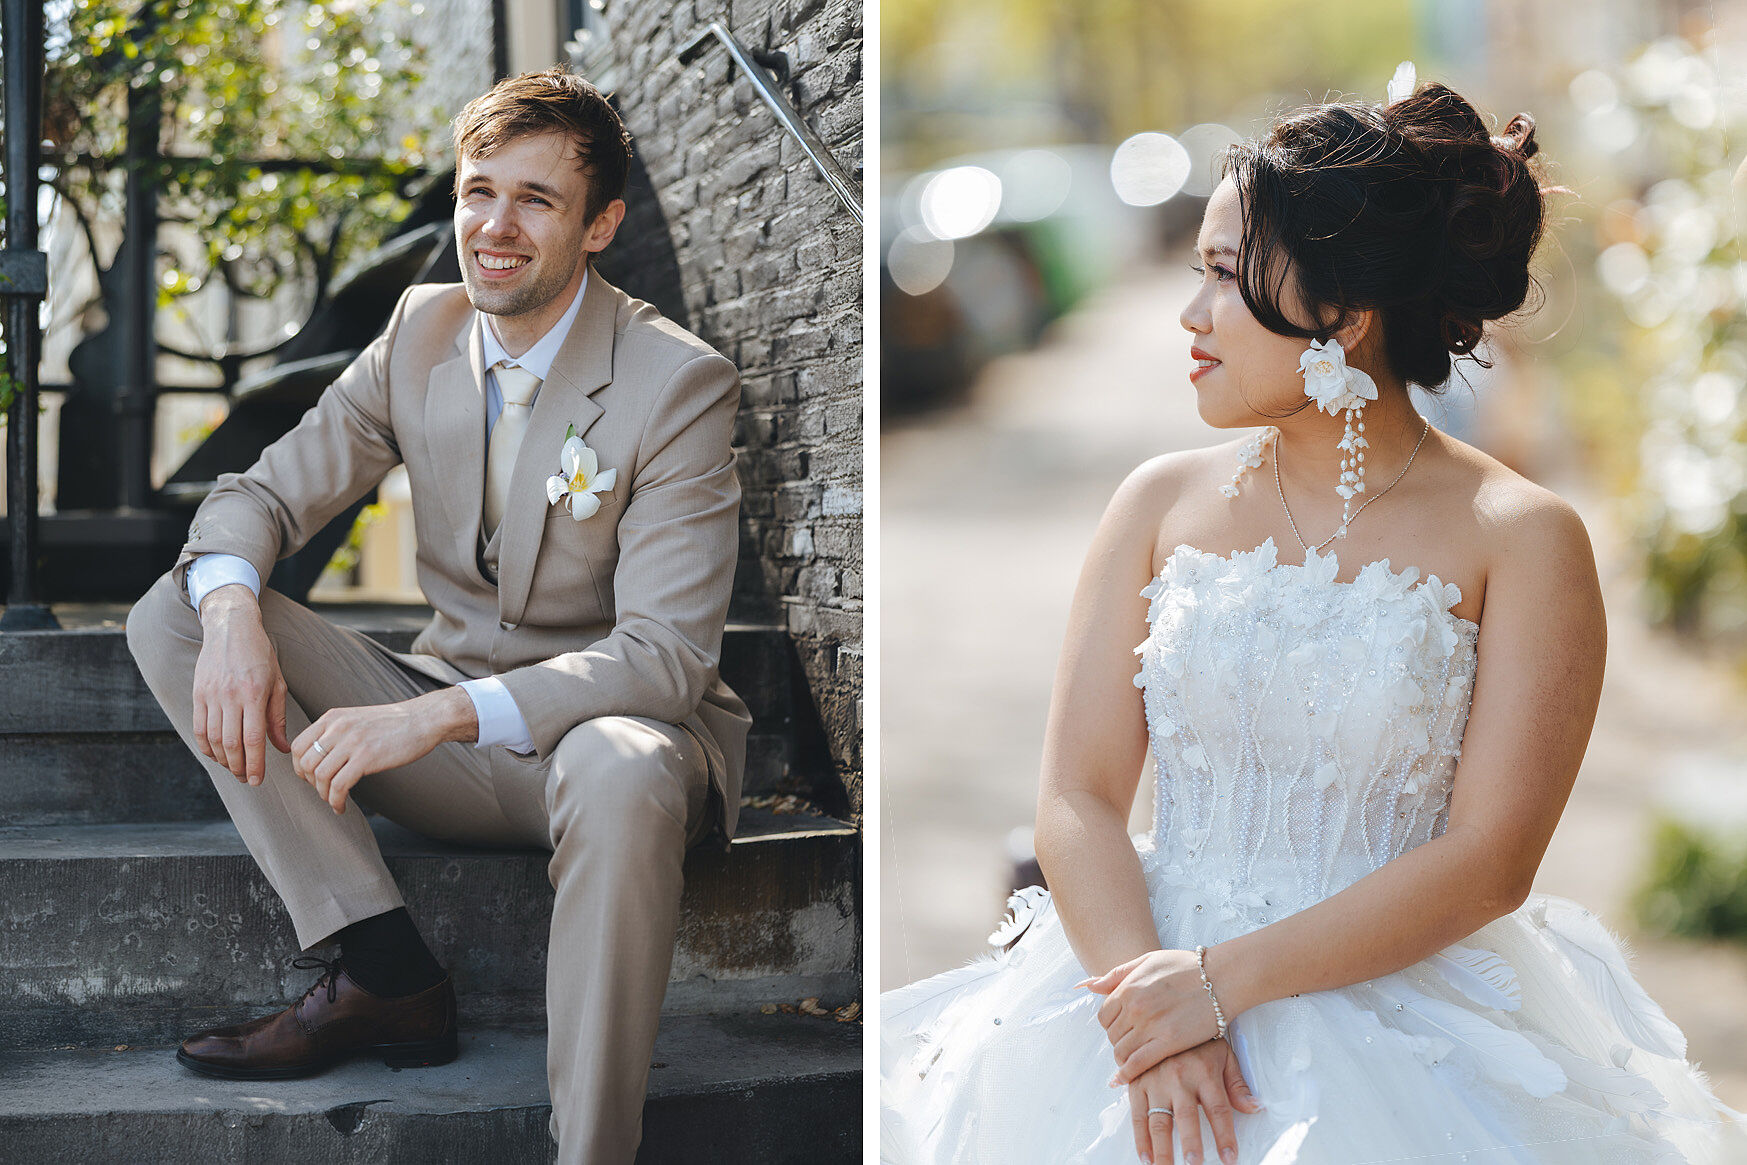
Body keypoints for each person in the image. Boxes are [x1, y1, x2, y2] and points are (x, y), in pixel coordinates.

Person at [880, 73, 1747, 1165]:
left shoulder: (1523, 538)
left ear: (1343, 311)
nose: (1190, 315)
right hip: (1122, 984)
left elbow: (1491, 857)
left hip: (1400, 1029)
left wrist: (1214, 987)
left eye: (1223, 275)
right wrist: (1150, 1021)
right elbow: (1076, 797)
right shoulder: (1156, 503)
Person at [125, 65, 751, 1165]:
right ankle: (385, 971)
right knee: (176, 609)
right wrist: (232, 623)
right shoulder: (420, 332)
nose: (493, 228)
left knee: (618, 764)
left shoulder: (676, 381)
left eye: (534, 200)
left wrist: (436, 714)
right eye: (477, 192)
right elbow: (259, 496)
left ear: (600, 225)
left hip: (609, 749)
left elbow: (664, 658)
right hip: (450, 748)